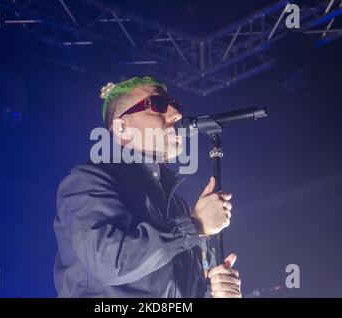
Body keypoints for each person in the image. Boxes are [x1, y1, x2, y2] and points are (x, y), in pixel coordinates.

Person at [53, 76, 241, 298]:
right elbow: (110, 262)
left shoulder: (177, 206)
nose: (177, 114)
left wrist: (216, 294)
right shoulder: (89, 180)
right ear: (122, 128)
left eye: (177, 106)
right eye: (158, 105)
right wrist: (195, 225)